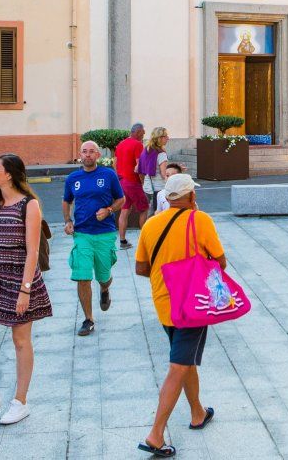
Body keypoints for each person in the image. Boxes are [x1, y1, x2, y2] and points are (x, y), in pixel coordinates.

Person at [135, 173, 224, 457]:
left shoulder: (151, 224)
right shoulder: (200, 220)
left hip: (164, 303)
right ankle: (155, 434)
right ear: (191, 196)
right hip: (193, 304)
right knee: (178, 365)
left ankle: (197, 412)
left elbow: (140, 268)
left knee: (185, 361)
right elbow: (221, 261)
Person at [0, 154, 52, 427]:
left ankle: (20, 401)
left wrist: (25, 290)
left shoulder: (30, 204)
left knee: (21, 341)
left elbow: (33, 250)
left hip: (19, 276)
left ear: (11, 174)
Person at [64, 141, 125, 336]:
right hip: (82, 234)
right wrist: (68, 221)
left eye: (91, 152)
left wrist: (108, 210)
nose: (88, 155)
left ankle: (105, 289)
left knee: (103, 277)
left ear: (98, 155)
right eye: (84, 151)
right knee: (83, 277)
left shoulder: (108, 175)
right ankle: (88, 319)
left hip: (105, 233)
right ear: (79, 154)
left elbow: (121, 200)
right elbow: (67, 201)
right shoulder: (73, 178)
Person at [115, 123, 148, 250]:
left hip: (122, 181)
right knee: (144, 208)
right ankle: (144, 240)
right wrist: (142, 182)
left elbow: (115, 163)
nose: (144, 134)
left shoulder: (121, 144)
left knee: (125, 210)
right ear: (138, 132)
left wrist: (119, 176)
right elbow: (139, 166)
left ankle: (123, 241)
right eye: (143, 132)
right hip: (133, 182)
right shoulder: (138, 145)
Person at [139, 126, 171, 204]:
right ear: (160, 138)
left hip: (147, 187)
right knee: (158, 213)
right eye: (166, 136)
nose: (168, 138)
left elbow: (139, 169)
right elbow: (164, 174)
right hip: (159, 188)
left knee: (149, 213)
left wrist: (143, 183)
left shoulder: (146, 150)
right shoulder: (161, 154)